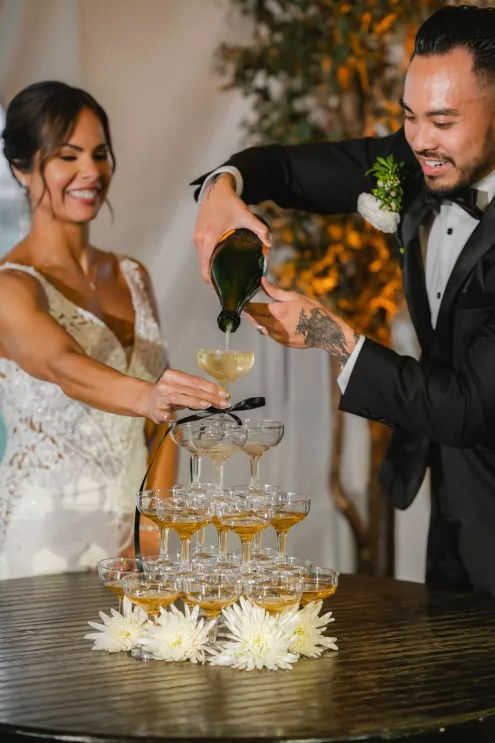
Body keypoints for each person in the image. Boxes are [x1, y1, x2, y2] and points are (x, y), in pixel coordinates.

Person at [192, 5, 495, 594]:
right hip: (452, 508)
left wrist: (333, 337)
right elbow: (286, 169)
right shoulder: (415, 161)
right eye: (409, 116)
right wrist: (223, 188)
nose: (420, 141)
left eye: (442, 120)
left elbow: (467, 407)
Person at [0, 81, 229, 580]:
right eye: (68, 156)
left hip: (131, 544)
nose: (91, 171)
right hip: (44, 543)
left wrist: (152, 530)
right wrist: (148, 395)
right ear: (21, 168)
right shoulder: (10, 287)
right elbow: (61, 365)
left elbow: (162, 423)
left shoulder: (131, 274)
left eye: (100, 154)